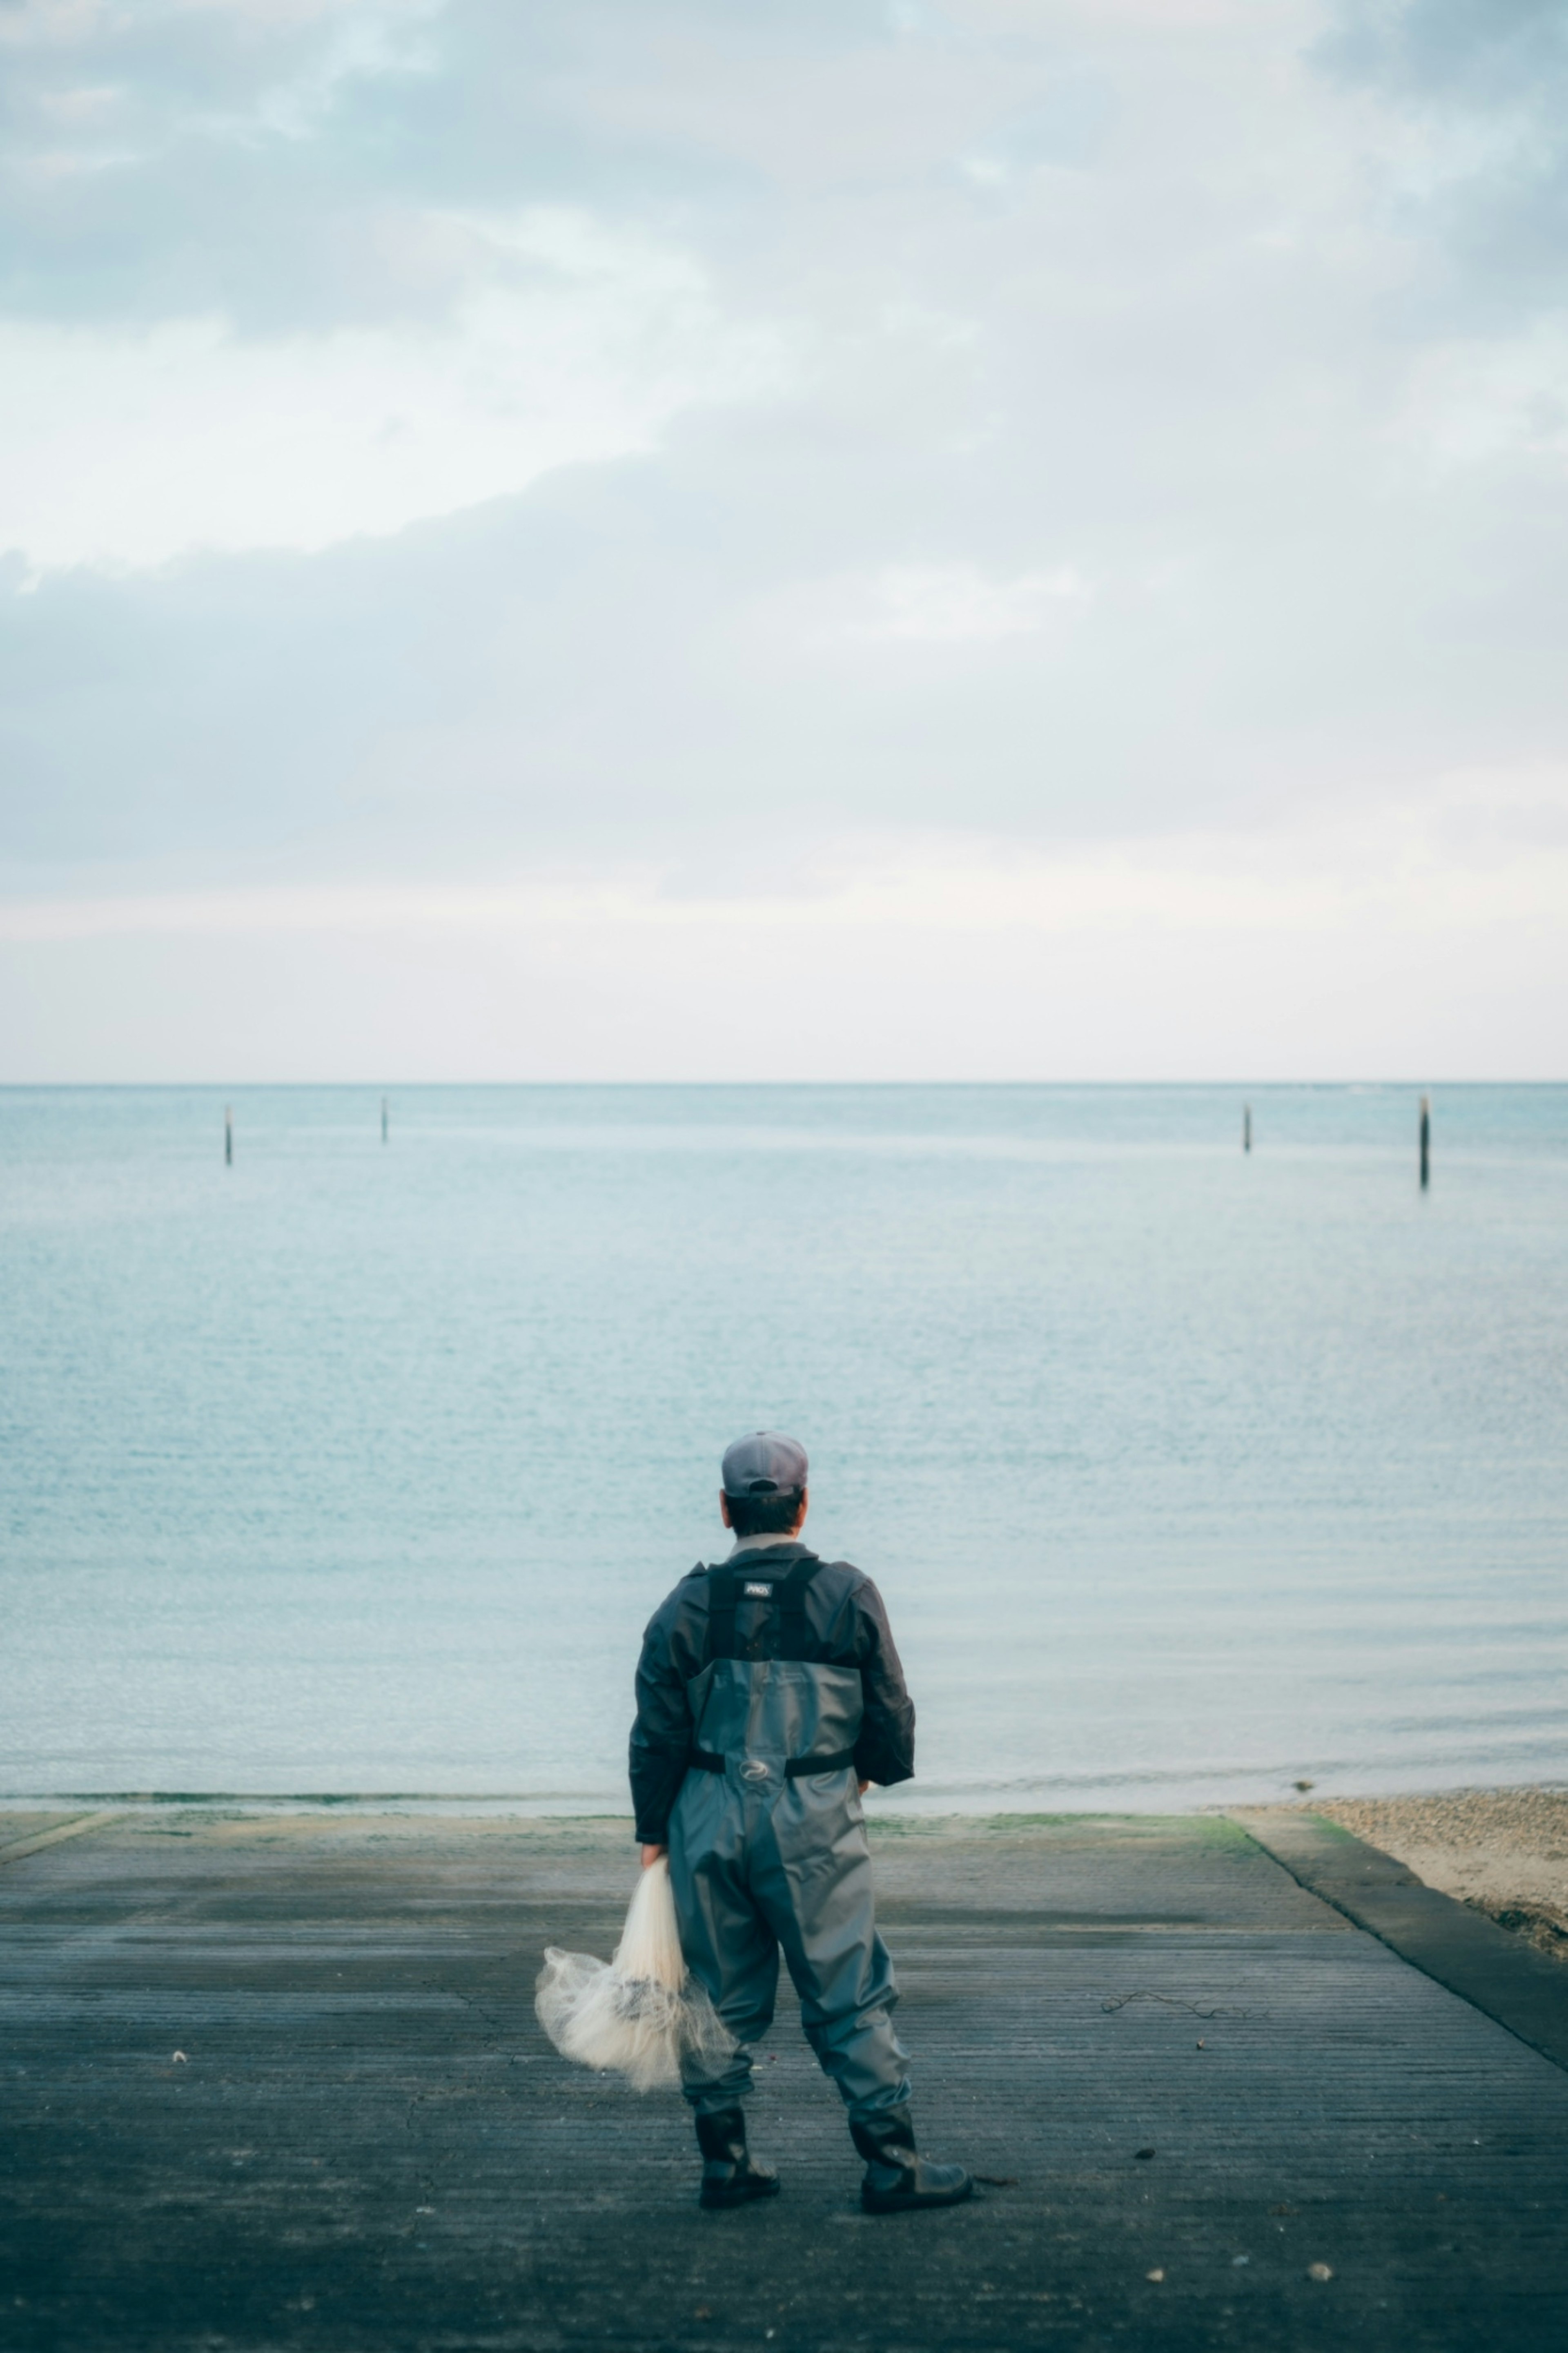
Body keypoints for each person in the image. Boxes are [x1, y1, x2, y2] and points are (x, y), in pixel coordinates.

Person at [629, 1430, 973, 2214]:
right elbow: (891, 1713)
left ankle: (727, 2165)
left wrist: (656, 1832)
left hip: (706, 1811)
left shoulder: (684, 1605)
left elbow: (655, 1734)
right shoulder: (846, 1593)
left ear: (725, 1510)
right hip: (814, 1812)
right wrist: (857, 1777)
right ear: (804, 1502)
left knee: (714, 1995)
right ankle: (893, 2165)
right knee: (847, 1990)